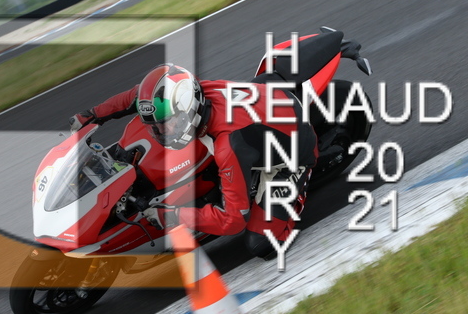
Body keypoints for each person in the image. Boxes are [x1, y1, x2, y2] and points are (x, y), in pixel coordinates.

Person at [70, 64, 318, 258]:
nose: (162, 132)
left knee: (261, 244)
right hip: (259, 112)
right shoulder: (183, 91)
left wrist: (171, 216)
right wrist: (93, 115)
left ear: (189, 109)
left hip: (292, 150)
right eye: (157, 127)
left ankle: (295, 195)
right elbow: (135, 96)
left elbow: (232, 221)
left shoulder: (229, 145)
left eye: (168, 124)